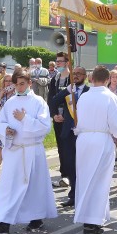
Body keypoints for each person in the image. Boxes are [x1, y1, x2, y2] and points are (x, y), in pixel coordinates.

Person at [0, 69, 58, 234]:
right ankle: (3, 223)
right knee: (9, 187)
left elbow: (45, 126)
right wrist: (7, 130)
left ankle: (36, 218)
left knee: (34, 186)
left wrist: (24, 119)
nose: (18, 88)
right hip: (15, 150)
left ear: (29, 83)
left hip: (32, 150)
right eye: (16, 84)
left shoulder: (39, 101)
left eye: (22, 84)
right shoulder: (10, 102)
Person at [74, 65, 117, 234]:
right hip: (101, 140)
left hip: (83, 140)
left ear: (91, 79)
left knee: (85, 178)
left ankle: (92, 217)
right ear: (106, 80)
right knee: (99, 181)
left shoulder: (83, 97)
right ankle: (92, 222)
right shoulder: (110, 97)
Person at [51, 66, 90, 208]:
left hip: (84, 134)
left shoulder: (89, 91)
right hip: (68, 134)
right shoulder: (67, 91)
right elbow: (53, 101)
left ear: (85, 76)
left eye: (79, 74)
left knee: (83, 166)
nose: (76, 76)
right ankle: (73, 195)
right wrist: (55, 114)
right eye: (74, 74)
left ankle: (84, 194)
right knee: (70, 165)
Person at [47, 52, 71, 187]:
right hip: (57, 118)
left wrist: (66, 116)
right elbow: (51, 99)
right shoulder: (54, 79)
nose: (58, 64)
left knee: (69, 147)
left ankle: (71, 173)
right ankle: (64, 175)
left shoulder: (72, 79)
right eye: (57, 62)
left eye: (60, 61)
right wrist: (54, 114)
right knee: (61, 147)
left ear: (67, 62)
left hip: (69, 118)